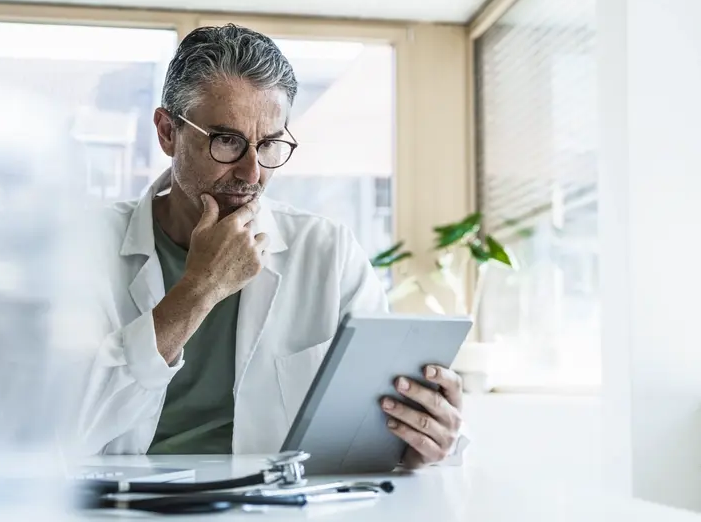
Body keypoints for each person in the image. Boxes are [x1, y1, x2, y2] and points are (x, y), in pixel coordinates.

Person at [77, 24, 467, 468]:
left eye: (270, 145)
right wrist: (200, 289)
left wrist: (417, 442)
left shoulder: (328, 252)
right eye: (227, 141)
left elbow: (376, 426)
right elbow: (58, 431)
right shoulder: (85, 247)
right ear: (168, 132)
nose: (251, 172)